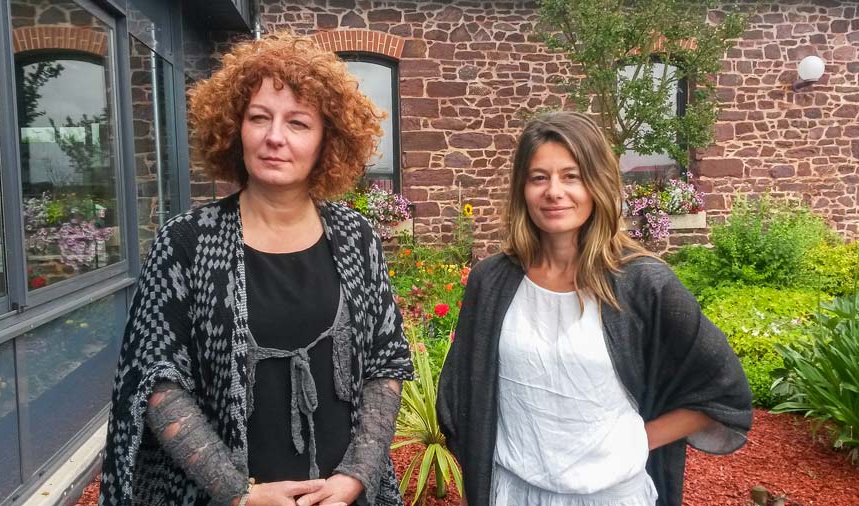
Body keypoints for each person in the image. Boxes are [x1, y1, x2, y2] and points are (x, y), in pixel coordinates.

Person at [99, 33, 413, 506]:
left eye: (298, 123)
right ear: (233, 128)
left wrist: (357, 474)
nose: (274, 137)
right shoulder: (188, 241)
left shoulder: (355, 236)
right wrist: (239, 493)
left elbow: (386, 366)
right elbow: (156, 381)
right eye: (259, 117)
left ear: (328, 139)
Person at [437, 111, 753, 506]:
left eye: (572, 176)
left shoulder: (641, 283)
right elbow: (464, 394)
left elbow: (723, 391)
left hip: (608, 496)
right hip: (510, 491)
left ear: (598, 184)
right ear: (522, 188)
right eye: (539, 177)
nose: (554, 191)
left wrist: (636, 441)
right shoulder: (492, 281)